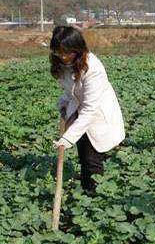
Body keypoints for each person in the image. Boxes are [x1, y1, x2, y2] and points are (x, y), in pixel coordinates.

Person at [51, 26, 125, 192]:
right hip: (80, 112)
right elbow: (73, 89)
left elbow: (90, 109)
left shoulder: (93, 68)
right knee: (84, 155)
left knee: (92, 158)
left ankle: (96, 198)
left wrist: (67, 138)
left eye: (67, 52)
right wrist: (65, 100)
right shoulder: (63, 63)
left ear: (78, 49)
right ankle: (87, 190)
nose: (63, 56)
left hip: (97, 114)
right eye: (58, 52)